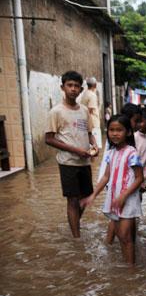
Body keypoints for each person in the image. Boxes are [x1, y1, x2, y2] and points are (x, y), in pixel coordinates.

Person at [81, 115, 143, 264]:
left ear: (128, 132)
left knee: (125, 236)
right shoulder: (110, 153)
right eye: (111, 130)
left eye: (119, 130)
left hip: (127, 199)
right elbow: (105, 177)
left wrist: (124, 196)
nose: (115, 133)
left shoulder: (132, 153)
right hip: (114, 197)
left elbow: (140, 178)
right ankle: (128, 265)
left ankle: (131, 270)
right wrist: (93, 195)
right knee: (122, 237)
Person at [45, 70, 99, 238]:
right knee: (73, 200)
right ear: (63, 87)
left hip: (85, 163)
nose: (73, 89)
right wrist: (76, 150)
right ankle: (76, 238)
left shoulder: (84, 110)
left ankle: (73, 225)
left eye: (76, 86)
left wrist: (95, 146)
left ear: (81, 89)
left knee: (85, 199)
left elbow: (89, 133)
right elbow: (49, 139)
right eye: (70, 85)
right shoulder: (56, 112)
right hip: (68, 162)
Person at [99, 103, 142, 245]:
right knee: (118, 222)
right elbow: (108, 171)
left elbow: (138, 175)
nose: (138, 125)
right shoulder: (115, 145)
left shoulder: (129, 149)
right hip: (115, 183)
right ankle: (111, 244)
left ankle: (119, 248)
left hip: (124, 185)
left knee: (124, 228)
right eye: (136, 121)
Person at [78, 77, 102, 149]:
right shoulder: (92, 95)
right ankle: (92, 160)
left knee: (90, 147)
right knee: (94, 147)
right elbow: (90, 110)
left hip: (87, 123)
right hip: (93, 123)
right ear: (95, 85)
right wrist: (90, 124)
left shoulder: (85, 93)